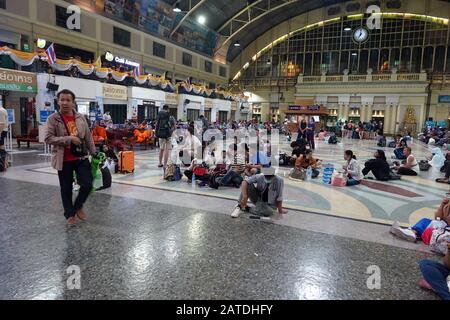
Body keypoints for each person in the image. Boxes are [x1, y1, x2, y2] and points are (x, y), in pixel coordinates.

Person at [45, 89, 96, 226]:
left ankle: (78, 206)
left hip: (81, 157)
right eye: (62, 100)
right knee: (66, 188)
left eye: (68, 100)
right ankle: (70, 214)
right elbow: (48, 138)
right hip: (64, 159)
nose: (65, 102)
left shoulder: (80, 117)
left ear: (73, 102)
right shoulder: (53, 119)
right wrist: (69, 139)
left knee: (87, 184)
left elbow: (88, 137)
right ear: (58, 101)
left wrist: (94, 152)